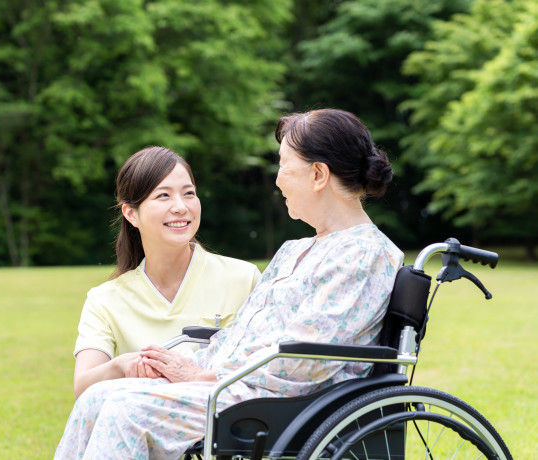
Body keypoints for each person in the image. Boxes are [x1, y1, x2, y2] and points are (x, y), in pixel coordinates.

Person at [54, 109, 405, 460]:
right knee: (99, 397)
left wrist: (207, 376)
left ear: (317, 174)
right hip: (234, 386)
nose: (278, 180)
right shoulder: (296, 250)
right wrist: (186, 368)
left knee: (126, 411)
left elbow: (306, 361)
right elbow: (242, 337)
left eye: (284, 165)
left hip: (271, 401)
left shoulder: (363, 254)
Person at [70, 146, 261, 399]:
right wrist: (121, 365)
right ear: (131, 214)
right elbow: (83, 386)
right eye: (163, 196)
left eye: (189, 193)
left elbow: (265, 368)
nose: (181, 207)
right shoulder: (104, 300)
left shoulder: (244, 278)